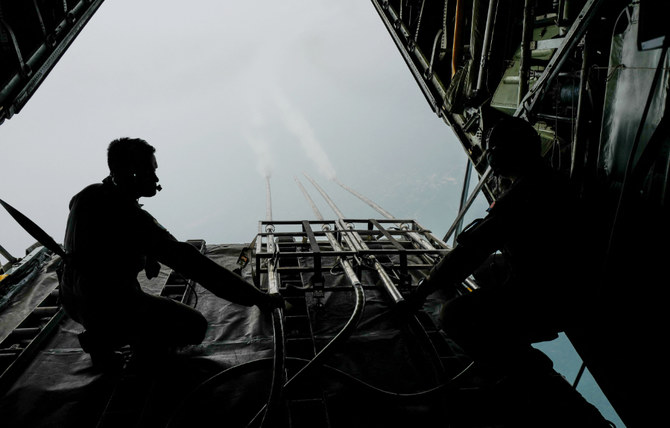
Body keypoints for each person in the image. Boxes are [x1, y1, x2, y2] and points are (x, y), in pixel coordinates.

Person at [409, 117, 610, 426]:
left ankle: (530, 376)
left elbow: (472, 249)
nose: (488, 159)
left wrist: (420, 293)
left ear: (503, 152)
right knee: (490, 270)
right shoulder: (552, 182)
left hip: (552, 294)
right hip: (571, 288)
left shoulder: (527, 191)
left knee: (456, 315)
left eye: (491, 151)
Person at [60, 137, 283, 369]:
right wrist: (260, 298)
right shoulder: (132, 217)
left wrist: (146, 255)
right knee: (192, 325)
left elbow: (102, 240)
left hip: (74, 300)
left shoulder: (87, 195)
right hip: (110, 306)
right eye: (150, 170)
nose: (156, 178)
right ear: (131, 172)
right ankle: (129, 346)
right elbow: (194, 264)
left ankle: (102, 337)